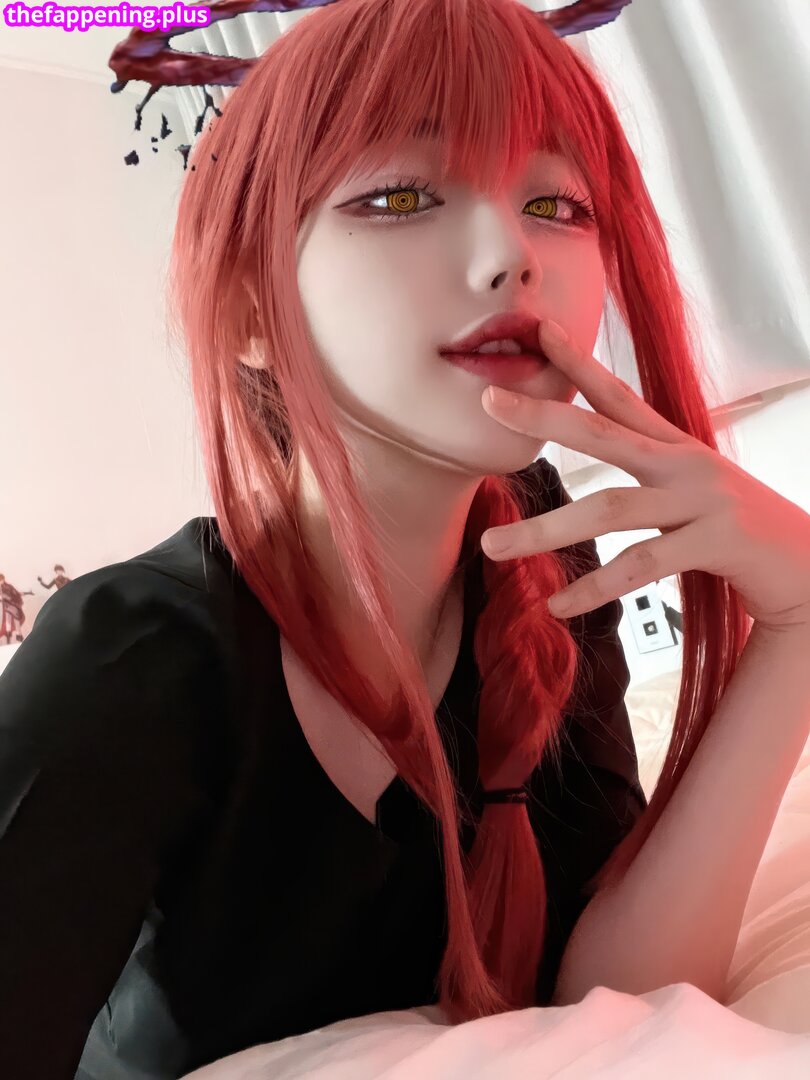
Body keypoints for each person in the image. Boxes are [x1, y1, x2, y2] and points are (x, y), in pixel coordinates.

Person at [0, 1, 748, 1076]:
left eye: (555, 203)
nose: (510, 258)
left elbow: (625, 1006)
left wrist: (796, 626)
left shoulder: (549, 558)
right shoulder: (133, 655)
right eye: (399, 196)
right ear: (250, 309)